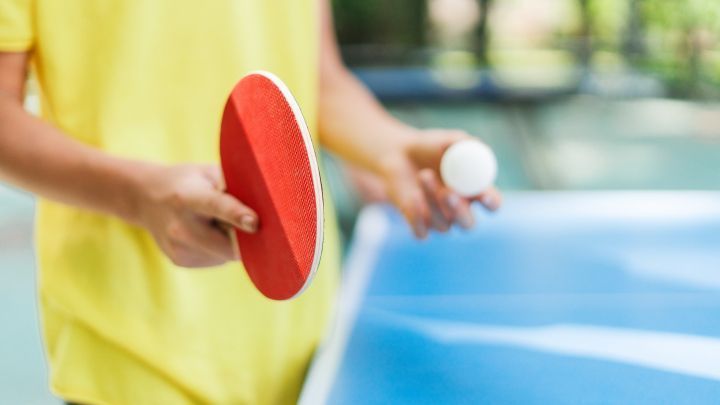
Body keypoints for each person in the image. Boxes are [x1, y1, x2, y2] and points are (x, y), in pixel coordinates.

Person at [0, 0, 502, 403]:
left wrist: (391, 148)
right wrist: (138, 195)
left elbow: (319, 81)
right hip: (131, 341)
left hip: (298, 339)